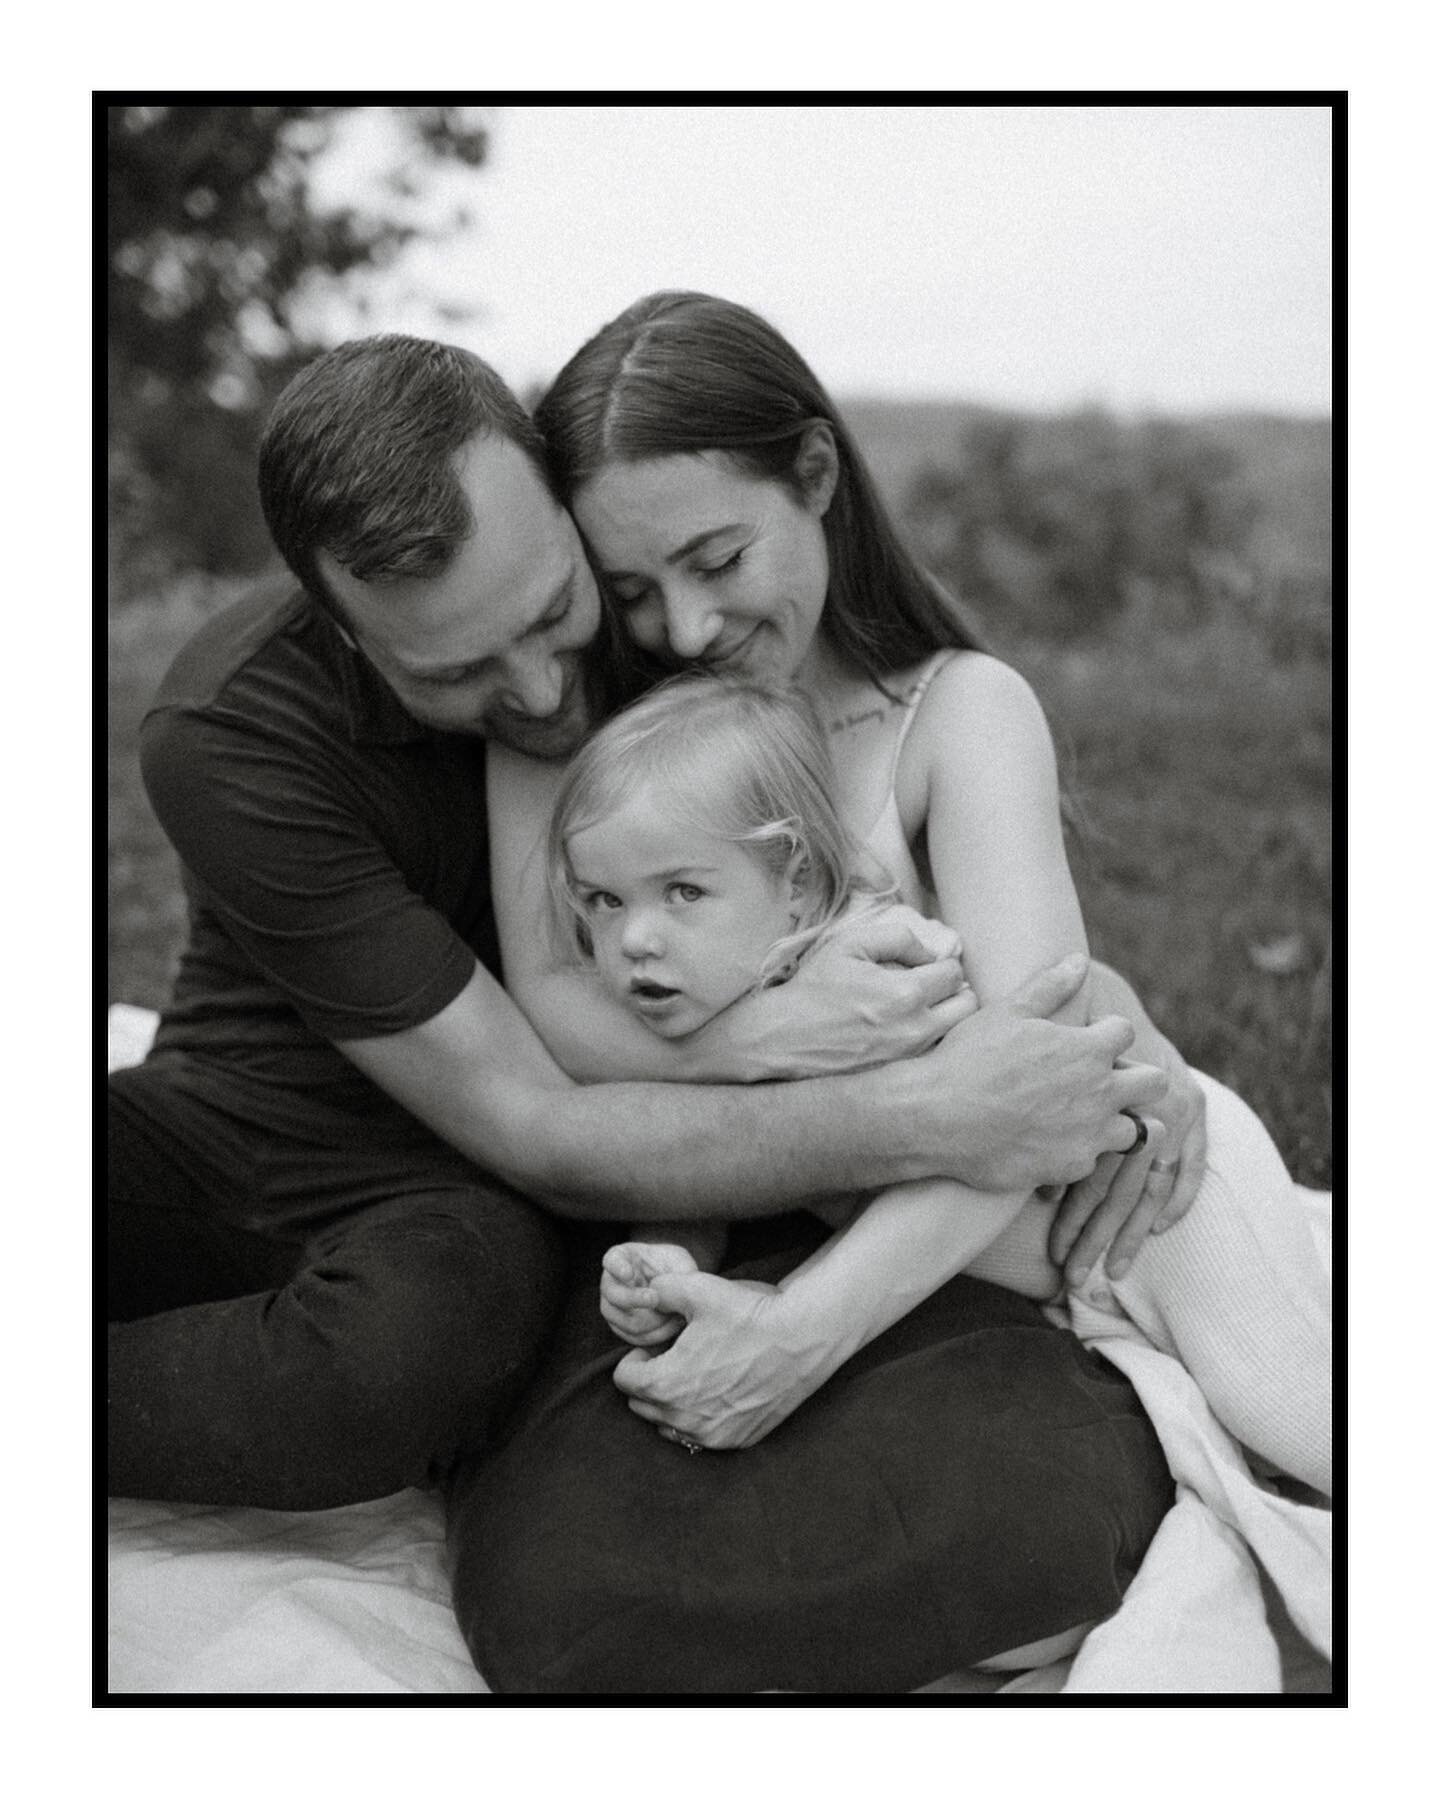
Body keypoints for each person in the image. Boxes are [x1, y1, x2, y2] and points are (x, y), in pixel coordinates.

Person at [108, 326, 1176, 1623]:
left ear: (560, 514)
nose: (548, 685)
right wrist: (886, 1084)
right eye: (457, 673)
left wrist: (1118, 1031)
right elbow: (537, 1108)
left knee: (389, 1372)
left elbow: (892, 852)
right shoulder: (226, 729)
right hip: (265, 1117)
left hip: (464, 1200)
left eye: (557, 610)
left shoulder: (663, 621)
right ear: (338, 633)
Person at [484, 290, 1328, 1499]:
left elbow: (1033, 1085)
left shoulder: (955, 715)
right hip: (953, 1255)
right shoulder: (618, 745)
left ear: (818, 473)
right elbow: (557, 1011)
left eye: (718, 559)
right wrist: (767, 1036)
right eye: (629, 591)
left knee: (1306, 1426)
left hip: (1131, 1205)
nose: (685, 625)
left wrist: (797, 1334)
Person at [541, 672, 1330, 1497]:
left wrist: (1127, 1023)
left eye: (682, 892)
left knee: (1300, 1415)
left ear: (797, 885)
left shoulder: (878, 967)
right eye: (602, 900)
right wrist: (671, 1260)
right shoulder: (703, 1015)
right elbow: (716, 1170)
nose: (634, 938)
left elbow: (1046, 1019)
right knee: (1247, 1440)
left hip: (1164, 1207)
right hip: (1074, 1279)